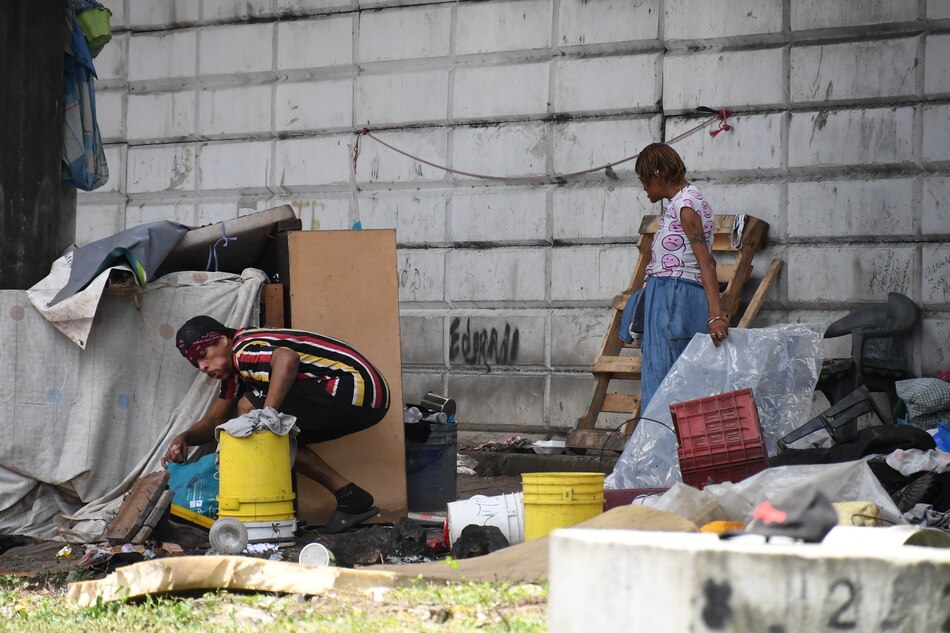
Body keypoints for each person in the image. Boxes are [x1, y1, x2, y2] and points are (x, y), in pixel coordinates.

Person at [162, 315, 390, 533]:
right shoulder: (235, 373)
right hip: (370, 399)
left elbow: (286, 358)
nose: (203, 366)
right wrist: (184, 438)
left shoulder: (243, 349)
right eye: (197, 363)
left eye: (204, 355)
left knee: (250, 409)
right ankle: (350, 496)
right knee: (283, 441)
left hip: (356, 386)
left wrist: (267, 416)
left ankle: (265, 512)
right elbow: (216, 419)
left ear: (222, 340)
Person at [635, 143, 728, 410]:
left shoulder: (686, 205)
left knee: (664, 382)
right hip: (670, 296)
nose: (643, 187)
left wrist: (715, 316)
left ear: (658, 174)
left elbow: (706, 262)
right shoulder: (682, 203)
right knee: (670, 379)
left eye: (644, 179)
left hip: (674, 298)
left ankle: (663, 447)